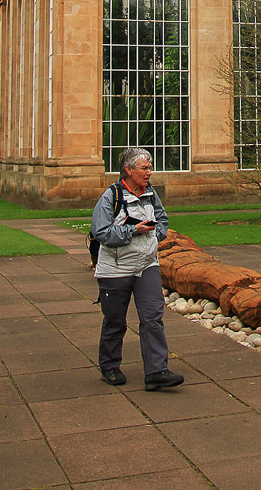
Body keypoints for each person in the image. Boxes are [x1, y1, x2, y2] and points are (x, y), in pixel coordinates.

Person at [91, 147, 184, 391]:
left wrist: (156, 235)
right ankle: (109, 366)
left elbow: (163, 218)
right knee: (115, 321)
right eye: (144, 168)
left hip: (146, 266)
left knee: (153, 318)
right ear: (128, 170)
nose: (149, 172)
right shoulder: (111, 196)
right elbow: (100, 232)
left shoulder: (150, 193)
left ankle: (157, 371)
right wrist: (133, 231)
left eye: (150, 168)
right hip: (116, 270)